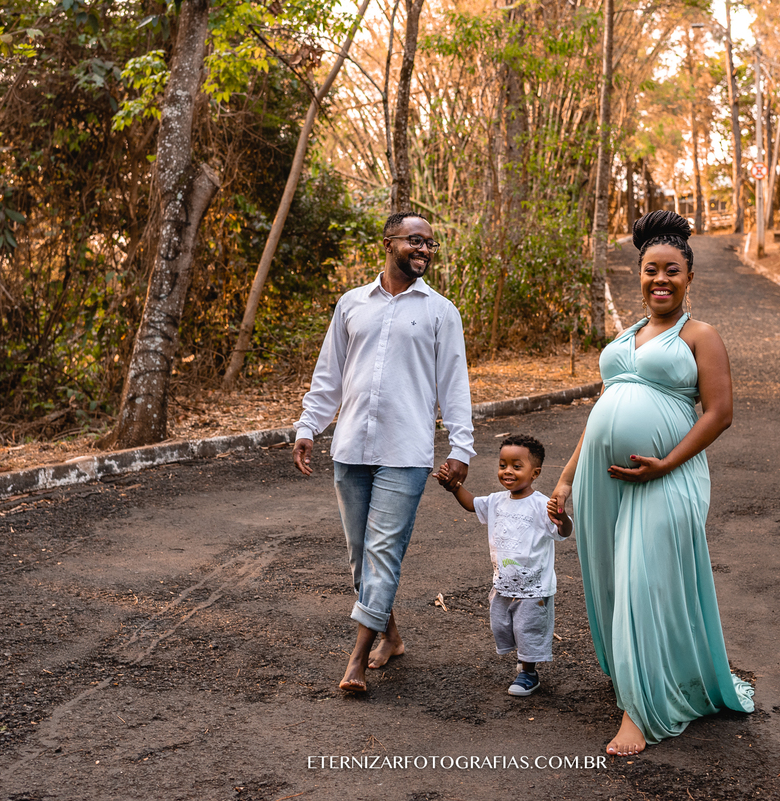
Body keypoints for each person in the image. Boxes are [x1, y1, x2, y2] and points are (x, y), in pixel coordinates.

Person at [548, 210, 754, 755]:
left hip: (669, 479)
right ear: (638, 275)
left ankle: (637, 714)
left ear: (689, 279)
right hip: (602, 481)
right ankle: (641, 678)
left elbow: (720, 413)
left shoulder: (701, 335)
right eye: (649, 270)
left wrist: (666, 463)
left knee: (647, 582)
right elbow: (602, 412)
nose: (659, 279)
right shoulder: (627, 336)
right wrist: (566, 481)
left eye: (671, 271)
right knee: (615, 583)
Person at [292, 211, 475, 693]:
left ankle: (355, 660)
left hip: (406, 451)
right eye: (416, 241)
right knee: (361, 557)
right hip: (351, 447)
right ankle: (390, 636)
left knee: (383, 552)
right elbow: (329, 375)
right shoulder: (352, 304)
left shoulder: (441, 311)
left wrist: (461, 446)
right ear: (388, 243)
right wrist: (309, 425)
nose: (425, 250)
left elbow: (454, 385)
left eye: (431, 244)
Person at [435, 434, 573, 696]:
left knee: (527, 630)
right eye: (503, 464)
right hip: (504, 584)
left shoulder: (541, 504)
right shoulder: (497, 501)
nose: (507, 471)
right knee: (503, 626)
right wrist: (453, 487)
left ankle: (528, 673)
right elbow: (471, 504)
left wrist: (561, 516)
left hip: (534, 589)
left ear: (535, 473)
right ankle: (523, 660)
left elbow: (564, 532)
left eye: (516, 466)